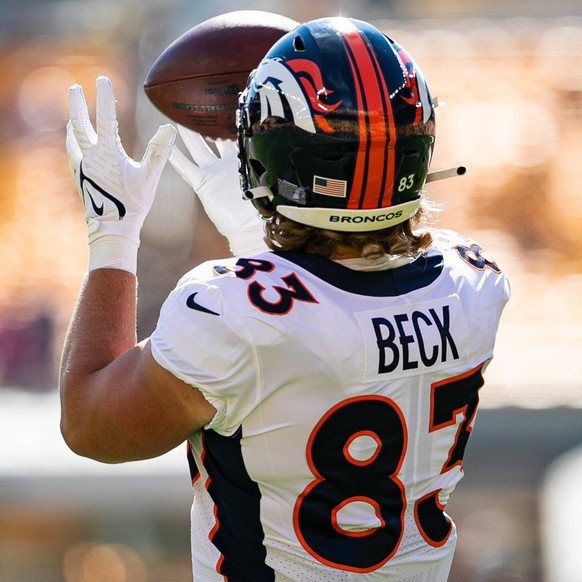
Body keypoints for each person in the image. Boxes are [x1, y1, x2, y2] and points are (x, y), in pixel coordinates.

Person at [60, 16, 510, 582]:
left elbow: (91, 425)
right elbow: (340, 336)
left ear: (269, 155)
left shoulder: (231, 312)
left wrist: (113, 239)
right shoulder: (476, 283)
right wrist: (258, 242)